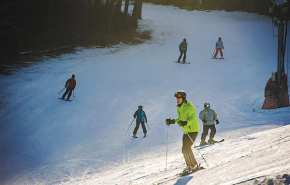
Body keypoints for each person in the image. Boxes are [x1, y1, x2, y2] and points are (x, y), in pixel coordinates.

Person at [165, 90, 200, 174]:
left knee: (187, 148)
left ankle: (193, 165)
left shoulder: (189, 107)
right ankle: (190, 165)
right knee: (184, 149)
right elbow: (180, 119)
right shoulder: (180, 107)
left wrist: (185, 123)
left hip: (193, 130)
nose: (177, 100)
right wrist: (172, 121)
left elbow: (192, 119)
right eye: (177, 98)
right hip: (186, 131)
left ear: (183, 98)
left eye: (179, 98)